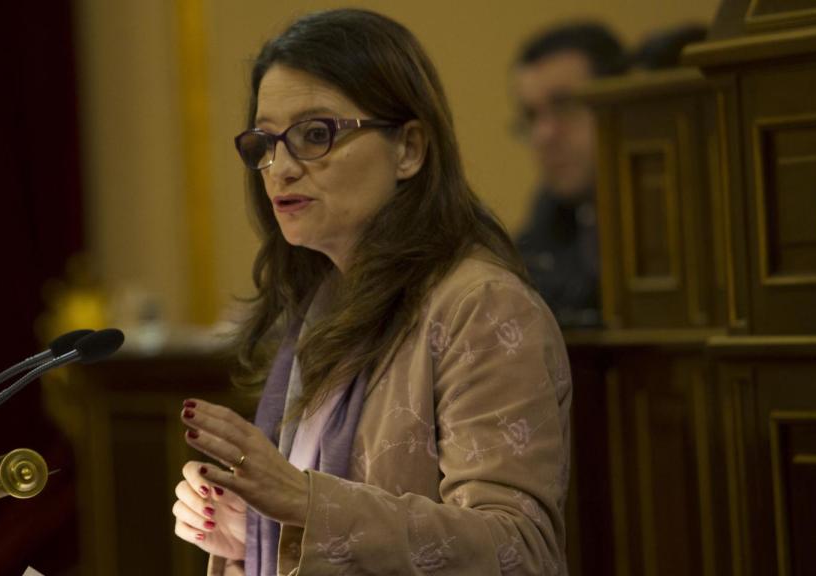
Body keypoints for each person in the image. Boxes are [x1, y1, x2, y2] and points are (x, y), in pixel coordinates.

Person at [171, 9, 572, 575]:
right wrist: (257, 535)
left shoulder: (480, 307)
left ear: (408, 148)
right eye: (265, 142)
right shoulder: (321, 309)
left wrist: (303, 502)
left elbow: (518, 551)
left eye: (315, 135)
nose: (279, 168)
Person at [511, 22, 627, 327]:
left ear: (621, 102)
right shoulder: (542, 232)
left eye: (564, 106)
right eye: (532, 116)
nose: (543, 135)